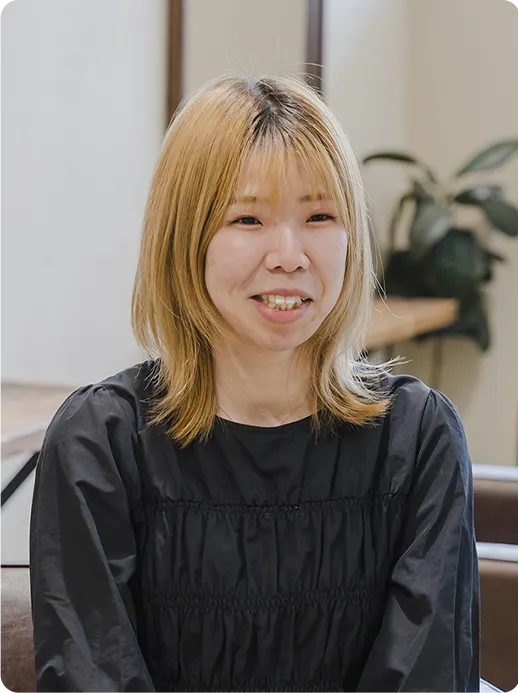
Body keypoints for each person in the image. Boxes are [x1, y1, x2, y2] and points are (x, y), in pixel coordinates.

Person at [30, 75, 480, 692]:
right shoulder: (101, 443)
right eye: (247, 218)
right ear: (184, 238)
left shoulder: (418, 438)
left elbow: (429, 674)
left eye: (319, 215)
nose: (289, 255)